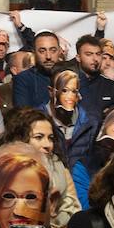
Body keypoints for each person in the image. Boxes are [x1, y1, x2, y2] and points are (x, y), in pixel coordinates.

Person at [3, 105, 81, 228]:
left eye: (50, 138)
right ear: (20, 139)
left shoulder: (59, 167)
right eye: (39, 137)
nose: (47, 145)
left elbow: (74, 210)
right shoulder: (5, 171)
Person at [47, 69, 97, 208]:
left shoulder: (90, 122)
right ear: (51, 91)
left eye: (74, 91)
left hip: (81, 192)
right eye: (64, 90)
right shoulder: (37, 120)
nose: (69, 96)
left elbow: (93, 166)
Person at [12, 30, 62, 109]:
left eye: (53, 50)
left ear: (59, 51)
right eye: (42, 51)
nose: (48, 56)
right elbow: (23, 113)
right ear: (34, 53)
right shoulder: (23, 79)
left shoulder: (70, 75)